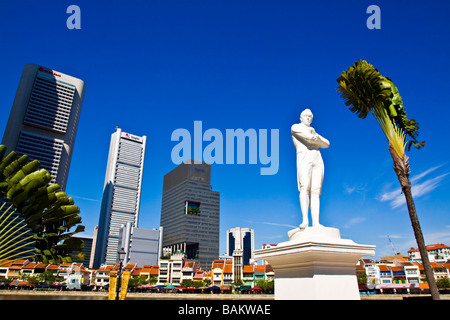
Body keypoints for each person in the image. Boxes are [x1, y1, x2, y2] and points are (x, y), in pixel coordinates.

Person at [291, 109, 330, 229]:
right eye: (306, 116)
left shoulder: (314, 131)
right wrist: (316, 139)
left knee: (315, 191)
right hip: (304, 158)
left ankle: (316, 222)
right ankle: (305, 220)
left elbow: (327, 144)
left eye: (310, 116)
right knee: (304, 188)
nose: (308, 118)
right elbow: (308, 138)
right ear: (301, 117)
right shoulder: (296, 127)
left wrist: (316, 136)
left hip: (317, 160)